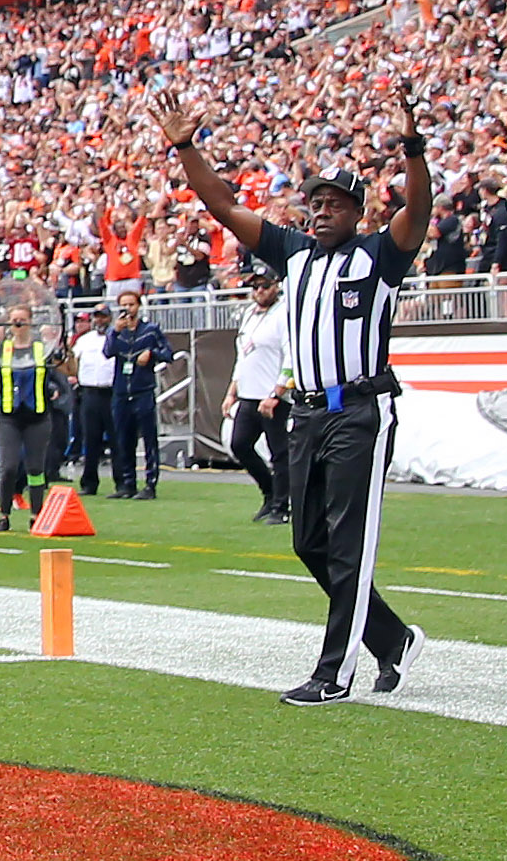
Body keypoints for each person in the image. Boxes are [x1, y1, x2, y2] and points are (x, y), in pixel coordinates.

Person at [158, 95, 431, 707]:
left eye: (334, 203)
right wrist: (185, 148)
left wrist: (412, 150)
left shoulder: (380, 254)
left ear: (359, 212)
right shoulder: (294, 254)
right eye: (314, 202)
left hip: (359, 410)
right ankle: (393, 640)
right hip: (304, 411)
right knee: (308, 541)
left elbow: (419, 208)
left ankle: (335, 672)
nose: (321, 211)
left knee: (349, 543)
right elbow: (224, 206)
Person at [0, 304, 65, 532]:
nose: (18, 324)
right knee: (8, 466)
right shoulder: (3, 349)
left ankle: (36, 514)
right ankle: (3, 513)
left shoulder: (42, 347)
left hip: (37, 414)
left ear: (30, 322)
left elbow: (65, 369)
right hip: (8, 414)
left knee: (36, 468)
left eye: (22, 319)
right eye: (14, 320)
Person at [227, 263, 290, 524]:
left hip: (272, 396)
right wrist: (232, 391)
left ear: (276, 286)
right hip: (249, 393)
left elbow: (291, 356)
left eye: (265, 286)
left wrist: (277, 392)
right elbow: (243, 355)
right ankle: (270, 492)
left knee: (279, 452)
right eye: (255, 287)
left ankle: (282, 506)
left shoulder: (284, 315)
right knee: (239, 444)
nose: (259, 291)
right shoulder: (250, 315)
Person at [104, 287, 172, 500]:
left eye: (131, 304)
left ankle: (150, 484)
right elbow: (108, 352)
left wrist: (151, 353)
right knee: (124, 439)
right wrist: (115, 331)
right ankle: (127, 484)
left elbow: (168, 353)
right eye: (123, 305)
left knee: (149, 438)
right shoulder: (117, 331)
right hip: (121, 391)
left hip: (143, 390)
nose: (127, 309)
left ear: (138, 306)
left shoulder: (150, 330)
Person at [69, 305, 116, 496]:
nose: (100, 321)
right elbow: (72, 361)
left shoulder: (116, 338)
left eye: (103, 317)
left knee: (116, 440)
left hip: (111, 392)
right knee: (90, 439)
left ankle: (122, 483)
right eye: (97, 317)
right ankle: (89, 483)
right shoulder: (85, 340)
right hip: (89, 392)